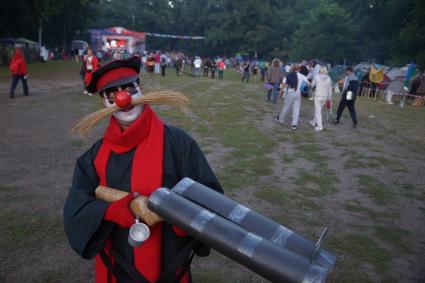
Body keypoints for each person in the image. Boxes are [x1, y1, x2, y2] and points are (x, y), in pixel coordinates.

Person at [63, 56, 223, 283]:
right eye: (112, 93)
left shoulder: (178, 144)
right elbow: (75, 210)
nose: (123, 98)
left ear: (141, 89)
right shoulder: (94, 157)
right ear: (104, 103)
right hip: (117, 269)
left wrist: (176, 216)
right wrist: (111, 211)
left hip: (169, 267)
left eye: (129, 88)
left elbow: (211, 198)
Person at [275, 65, 309, 130]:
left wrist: (281, 91)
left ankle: (281, 120)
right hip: (298, 93)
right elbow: (308, 83)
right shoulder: (302, 76)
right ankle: (294, 124)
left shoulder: (289, 75)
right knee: (296, 109)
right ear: (299, 69)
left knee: (286, 107)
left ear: (293, 69)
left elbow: (284, 84)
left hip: (290, 92)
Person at [309, 66, 332, 131]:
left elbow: (312, 85)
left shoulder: (317, 77)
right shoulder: (329, 78)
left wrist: (312, 88)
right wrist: (329, 98)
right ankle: (314, 122)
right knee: (318, 110)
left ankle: (320, 126)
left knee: (318, 111)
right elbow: (330, 89)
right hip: (325, 97)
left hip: (318, 96)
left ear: (320, 70)